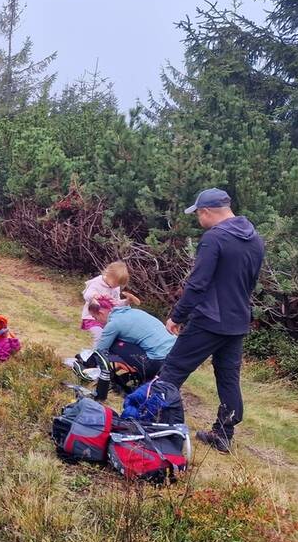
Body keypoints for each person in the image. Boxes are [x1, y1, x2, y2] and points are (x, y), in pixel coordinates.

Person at [157, 188, 266, 453]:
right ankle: (223, 434)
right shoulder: (255, 240)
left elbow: (197, 284)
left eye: (198, 215)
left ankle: (159, 427)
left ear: (206, 212)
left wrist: (177, 316)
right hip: (238, 320)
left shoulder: (214, 238)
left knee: (172, 371)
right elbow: (250, 283)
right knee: (229, 378)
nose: (198, 220)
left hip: (209, 319)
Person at [87, 299, 176, 380]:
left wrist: (86, 365)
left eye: (95, 317)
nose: (96, 321)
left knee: (113, 344)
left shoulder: (114, 324)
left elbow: (100, 351)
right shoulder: (134, 311)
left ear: (101, 313)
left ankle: (143, 376)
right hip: (175, 356)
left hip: (157, 362)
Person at [80, 261, 141, 342]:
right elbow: (87, 296)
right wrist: (94, 295)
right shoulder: (97, 282)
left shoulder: (115, 288)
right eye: (115, 283)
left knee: (113, 337)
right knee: (99, 335)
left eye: (119, 284)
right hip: (92, 318)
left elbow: (116, 304)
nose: (117, 286)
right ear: (108, 274)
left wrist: (126, 302)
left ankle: (105, 352)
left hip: (106, 320)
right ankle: (95, 353)